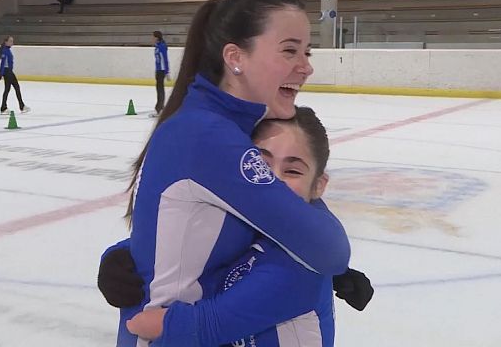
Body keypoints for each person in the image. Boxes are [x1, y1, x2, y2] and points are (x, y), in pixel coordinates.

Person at [106, 0, 350, 347]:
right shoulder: (208, 135)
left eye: (307, 51)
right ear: (235, 57)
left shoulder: (222, 126)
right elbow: (329, 249)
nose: (306, 67)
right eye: (289, 51)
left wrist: (125, 252)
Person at [123, 107, 374, 346]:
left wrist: (162, 325)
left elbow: (204, 326)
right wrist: (123, 254)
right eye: (260, 166)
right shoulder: (240, 217)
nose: (273, 181)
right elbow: (186, 236)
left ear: (318, 186)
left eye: (293, 171)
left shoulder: (302, 266)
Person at [0, 36, 30, 114]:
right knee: (9, 89)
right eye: (10, 41)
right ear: (6, 42)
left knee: (15, 88)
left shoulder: (7, 50)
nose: (12, 42)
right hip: (7, 72)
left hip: (9, 72)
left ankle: (21, 106)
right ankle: (4, 107)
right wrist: (1, 74)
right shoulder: (5, 51)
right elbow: (3, 64)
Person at [149, 30, 170, 118]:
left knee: (160, 89)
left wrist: (167, 72)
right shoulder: (157, 46)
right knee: (159, 89)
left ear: (156, 38)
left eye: (153, 37)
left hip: (161, 71)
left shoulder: (161, 47)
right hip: (158, 70)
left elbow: (165, 59)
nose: (151, 38)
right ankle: (160, 108)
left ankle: (159, 109)